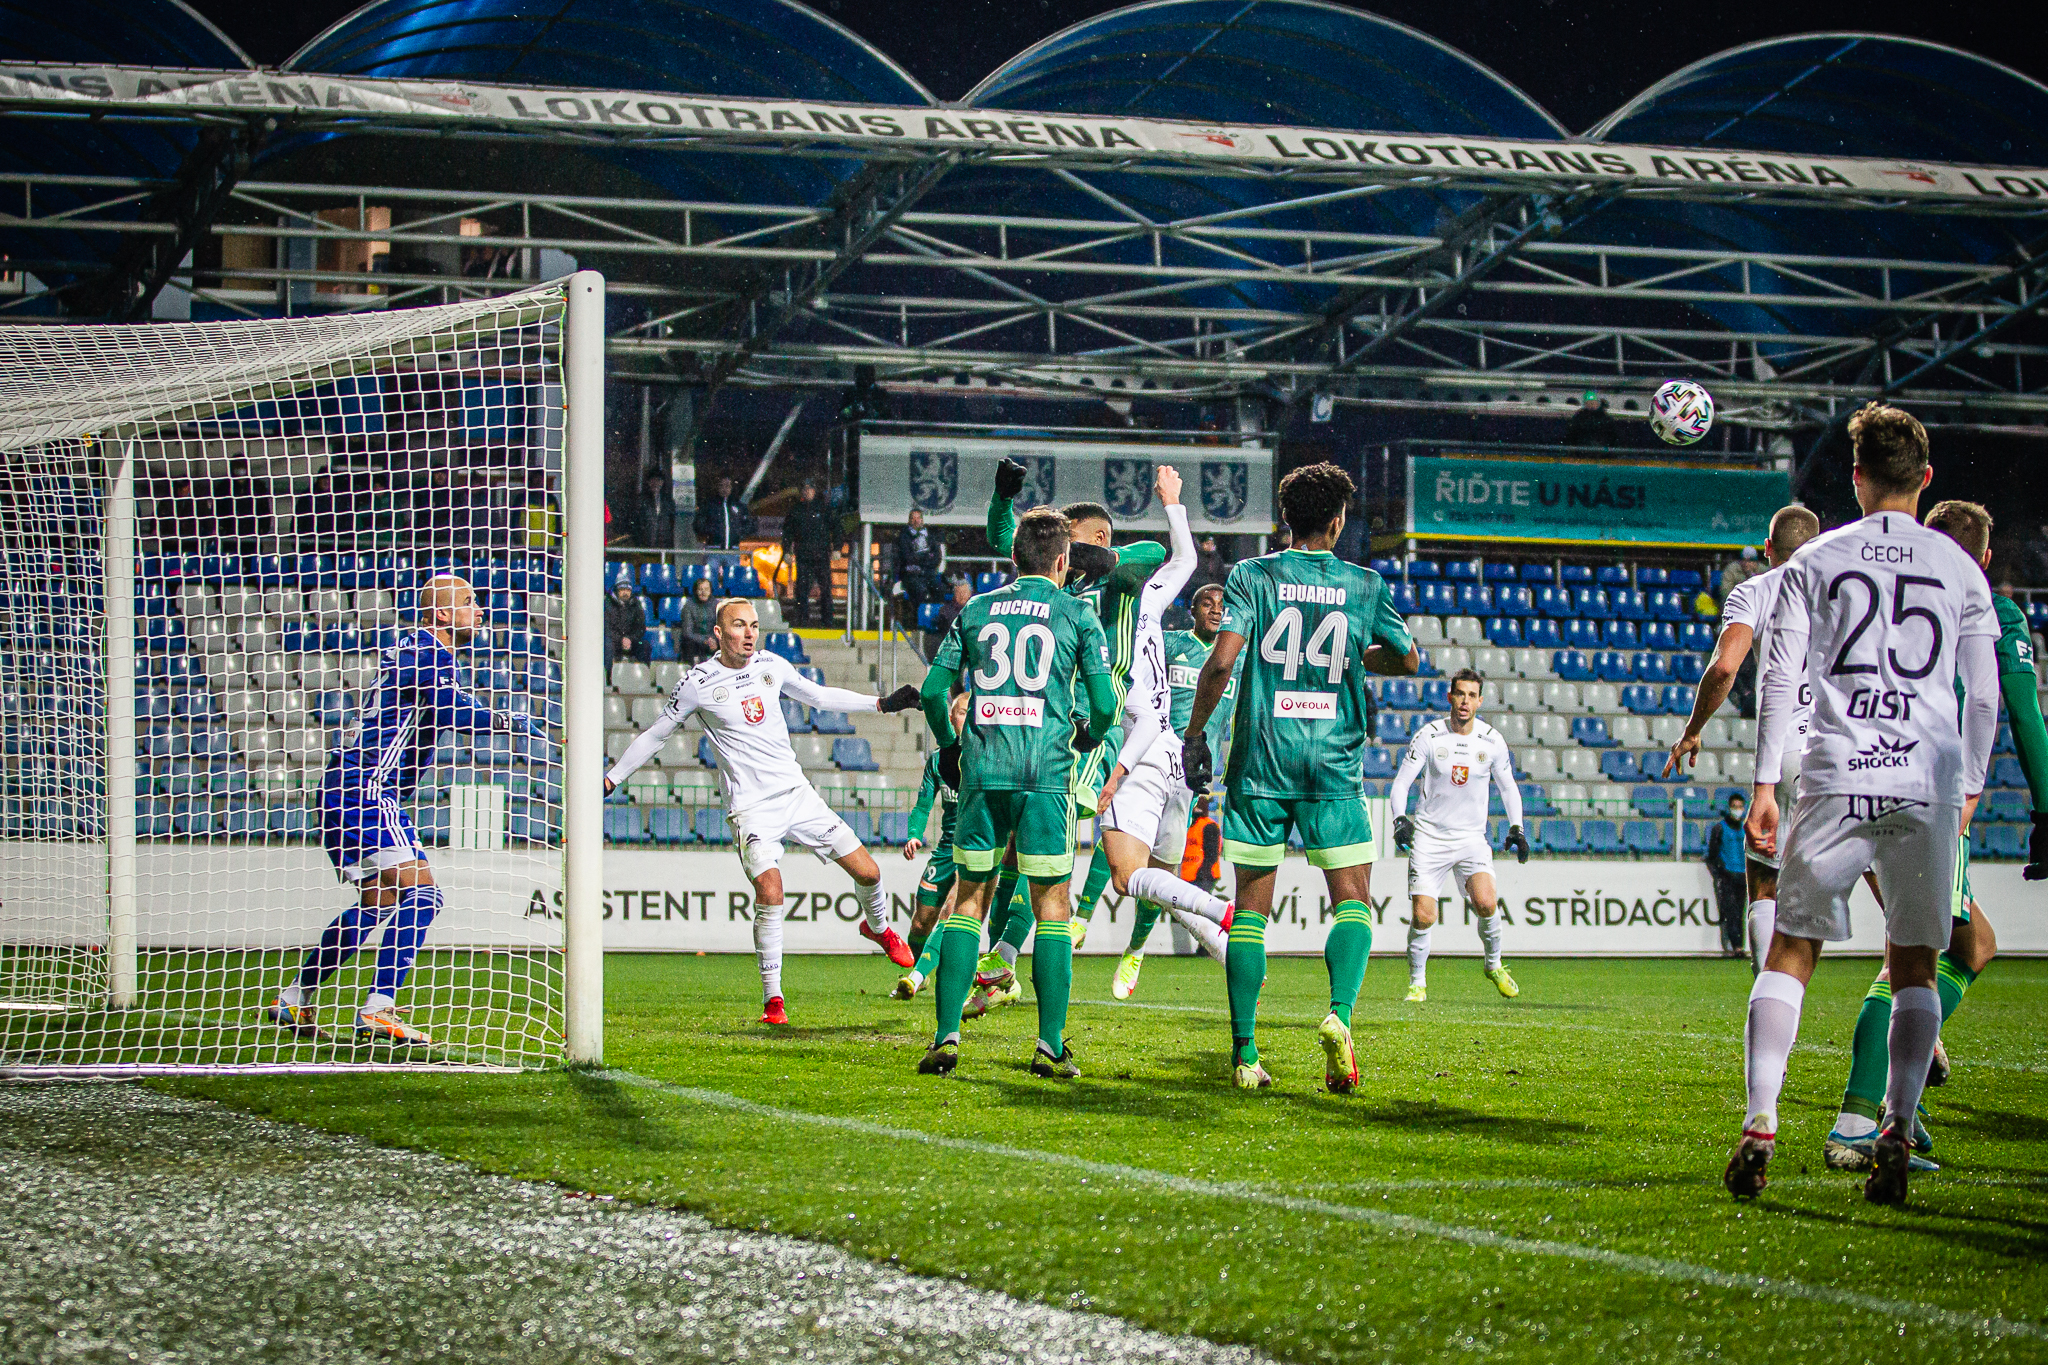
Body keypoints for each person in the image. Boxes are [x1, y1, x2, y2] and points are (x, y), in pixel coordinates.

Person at [1729, 403, 1998, 1207]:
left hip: (1837, 768)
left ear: (1855, 478)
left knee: (1792, 952)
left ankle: (1761, 1120)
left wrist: (1765, 787)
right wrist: (1970, 785)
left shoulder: (1817, 558)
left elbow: (1779, 676)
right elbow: (1983, 694)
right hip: (1926, 776)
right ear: (1926, 478)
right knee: (1915, 962)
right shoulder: (1960, 567)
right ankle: (1895, 1129)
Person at [1183, 462, 1420, 1092]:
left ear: (1286, 519)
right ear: (1338, 522)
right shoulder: (1363, 583)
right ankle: (1339, 1015)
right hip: (1332, 763)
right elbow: (1407, 658)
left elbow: (1221, 662)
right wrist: (1356, 654)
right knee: (1354, 902)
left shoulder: (1253, 576)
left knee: (1250, 914)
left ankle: (1245, 1054)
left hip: (1262, 759)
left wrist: (1196, 733)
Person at [1822, 499, 2039, 1171]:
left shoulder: (1883, 596)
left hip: (1858, 774)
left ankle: (1900, 1092)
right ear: (1986, 557)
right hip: (1932, 791)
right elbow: (2016, 708)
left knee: (1972, 943)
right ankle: (1862, 1120)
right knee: (1910, 961)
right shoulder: (1987, 608)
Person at [603, 600, 922, 1024]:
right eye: (739, 626)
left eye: (754, 625)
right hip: (751, 809)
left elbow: (819, 697)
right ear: (719, 634)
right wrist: (612, 778)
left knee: (869, 873)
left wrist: (880, 703)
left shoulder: (771, 664)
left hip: (796, 794)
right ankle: (774, 1001)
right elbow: (657, 735)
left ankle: (877, 928)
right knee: (770, 893)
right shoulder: (698, 682)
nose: (750, 633)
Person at [268, 575, 545, 1046]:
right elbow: (456, 715)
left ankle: (295, 996)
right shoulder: (432, 653)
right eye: (469, 602)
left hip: (342, 786)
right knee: (424, 896)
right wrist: (509, 719)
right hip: (366, 788)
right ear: (442, 614)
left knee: (377, 902)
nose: (480, 611)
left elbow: (432, 721)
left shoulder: (412, 650)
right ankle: (378, 1008)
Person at [913, 506, 1119, 1079]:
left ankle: (946, 1037)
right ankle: (1049, 1046)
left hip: (983, 771)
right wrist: (1089, 734)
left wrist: (949, 747)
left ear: (1013, 557)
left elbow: (932, 692)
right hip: (1045, 775)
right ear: (1063, 560)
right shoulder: (1077, 613)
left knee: (970, 902)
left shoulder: (976, 609)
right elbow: (1105, 705)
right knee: (1052, 906)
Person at [969, 467, 1167, 1006]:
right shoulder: (1059, 584)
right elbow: (1003, 536)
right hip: (1046, 720)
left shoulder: (1119, 579)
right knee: (1019, 849)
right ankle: (1004, 962)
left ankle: (1002, 958)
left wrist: (1100, 555)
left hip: (1087, 730)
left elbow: (1153, 552)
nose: (1065, 551)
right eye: (1064, 544)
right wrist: (1001, 496)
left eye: (1073, 539)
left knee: (1044, 844)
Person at [1090, 465, 1242, 970]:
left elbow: (1170, 558)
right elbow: (1183, 558)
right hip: (1165, 750)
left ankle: (1215, 912)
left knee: (1126, 874)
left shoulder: (1088, 610)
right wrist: (1172, 501)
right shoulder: (1149, 602)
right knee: (1152, 873)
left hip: (1139, 746)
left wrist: (1117, 768)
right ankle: (1221, 941)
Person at [1663, 504, 1822, 973]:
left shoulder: (1755, 590)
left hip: (1787, 752)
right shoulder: (1850, 589)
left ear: (1768, 548)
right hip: (1851, 751)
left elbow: (1724, 668)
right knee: (1880, 886)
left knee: (1766, 885)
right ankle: (1912, 1000)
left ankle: (1767, 994)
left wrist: (1693, 730)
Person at [1111, 581, 1238, 1000]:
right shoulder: (1170, 644)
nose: (1216, 610)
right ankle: (1084, 919)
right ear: (1193, 610)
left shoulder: (1235, 658)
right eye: (1207, 603)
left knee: (1161, 874)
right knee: (1121, 848)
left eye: (1222, 605)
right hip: (1152, 758)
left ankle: (1136, 948)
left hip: (1190, 775)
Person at [1389, 668, 1530, 1002]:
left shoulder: (1492, 741)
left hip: (1470, 839)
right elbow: (1402, 782)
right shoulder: (1429, 735)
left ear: (1479, 701)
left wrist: (1517, 827)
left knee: (1486, 902)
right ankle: (1417, 983)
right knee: (1424, 915)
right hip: (1430, 838)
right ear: (1450, 696)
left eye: (1472, 695)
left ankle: (1494, 965)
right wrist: (1399, 819)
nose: (1465, 701)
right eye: (1460, 694)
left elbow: (1508, 788)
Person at [893, 691, 972, 1000]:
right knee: (921, 921)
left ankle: (916, 977)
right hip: (945, 850)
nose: (968, 718)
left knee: (950, 913)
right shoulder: (939, 761)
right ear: (951, 719)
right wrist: (914, 833)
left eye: (973, 713)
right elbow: (923, 805)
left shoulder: (988, 758)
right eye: (962, 712)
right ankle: (920, 969)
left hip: (976, 848)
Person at [782, 480, 837, 627]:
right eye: (804, 489)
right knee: (801, 590)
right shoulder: (796, 510)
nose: (807, 491)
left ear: (814, 490)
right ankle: (803, 620)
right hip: (803, 557)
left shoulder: (824, 509)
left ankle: (827, 621)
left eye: (810, 488)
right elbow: (787, 533)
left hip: (821, 556)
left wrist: (837, 548)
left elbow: (836, 528)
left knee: (826, 590)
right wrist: (786, 551)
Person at [1703, 794, 1749, 958]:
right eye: (1735, 806)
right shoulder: (1720, 828)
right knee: (1730, 911)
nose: (1738, 810)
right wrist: (1721, 872)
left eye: (1740, 807)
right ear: (1729, 808)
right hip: (1727, 876)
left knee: (1740, 911)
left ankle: (1739, 945)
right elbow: (1713, 853)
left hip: (1743, 875)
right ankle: (1735, 946)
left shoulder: (1746, 828)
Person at [896, 509, 946, 615]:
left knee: (940, 588)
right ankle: (919, 617)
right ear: (909, 520)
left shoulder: (930, 536)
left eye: (918, 518)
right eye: (913, 518)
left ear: (922, 520)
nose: (916, 521)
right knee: (920, 590)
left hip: (929, 573)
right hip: (911, 575)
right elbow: (908, 558)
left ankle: (937, 615)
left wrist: (922, 559)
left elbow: (937, 556)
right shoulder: (904, 537)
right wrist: (927, 557)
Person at [693, 476, 754, 550]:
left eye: (727, 486)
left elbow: (749, 524)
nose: (724, 489)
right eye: (721, 486)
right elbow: (698, 524)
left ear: (732, 488)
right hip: (714, 549)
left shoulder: (739, 506)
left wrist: (739, 533)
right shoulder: (709, 505)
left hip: (733, 549)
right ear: (717, 487)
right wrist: (711, 532)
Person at [604, 580, 648, 670]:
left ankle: (643, 673)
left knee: (644, 645)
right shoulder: (608, 604)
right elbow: (607, 628)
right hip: (614, 641)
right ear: (617, 591)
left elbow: (641, 628)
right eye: (622, 590)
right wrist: (621, 639)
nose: (625, 593)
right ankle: (609, 674)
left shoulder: (636, 604)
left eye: (628, 590)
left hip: (631, 640)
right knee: (607, 645)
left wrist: (630, 638)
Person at [677, 576, 718, 665]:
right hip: (696, 641)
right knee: (688, 643)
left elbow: (721, 628)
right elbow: (687, 633)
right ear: (696, 591)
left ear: (710, 591)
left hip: (714, 640)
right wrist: (705, 640)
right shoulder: (688, 607)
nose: (703, 592)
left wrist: (714, 640)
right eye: (700, 589)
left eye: (706, 589)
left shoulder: (717, 605)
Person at [638, 470, 675, 549]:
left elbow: (672, 520)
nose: (655, 483)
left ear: (662, 482)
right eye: (652, 480)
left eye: (658, 480)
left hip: (665, 543)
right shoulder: (641, 499)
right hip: (646, 543)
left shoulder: (668, 500)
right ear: (648, 482)